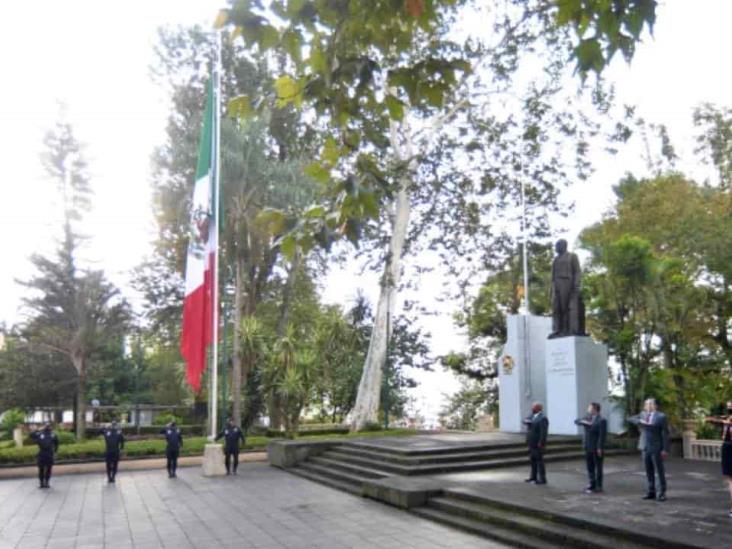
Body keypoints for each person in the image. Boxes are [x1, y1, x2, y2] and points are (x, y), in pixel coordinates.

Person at [628, 397, 670, 501]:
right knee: (648, 470)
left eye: (650, 404)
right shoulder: (642, 414)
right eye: (646, 404)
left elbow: (665, 433)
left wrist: (665, 449)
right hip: (645, 446)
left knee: (659, 471)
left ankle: (662, 492)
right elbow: (630, 418)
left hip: (656, 446)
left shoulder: (661, 416)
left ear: (655, 405)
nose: (648, 406)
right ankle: (651, 491)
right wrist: (639, 421)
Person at [704, 399, 732, 518]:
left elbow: (721, 421)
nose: (729, 407)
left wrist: (722, 421)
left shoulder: (728, 420)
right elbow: (714, 420)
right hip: (727, 447)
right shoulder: (727, 418)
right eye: (728, 406)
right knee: (730, 479)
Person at [574, 402, 607, 493]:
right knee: (590, 466)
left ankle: (599, 485)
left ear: (595, 409)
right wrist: (583, 421)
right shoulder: (587, 417)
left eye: (590, 408)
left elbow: (602, 435)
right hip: (587, 446)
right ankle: (591, 483)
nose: (588, 409)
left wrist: (599, 447)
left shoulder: (601, 420)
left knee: (598, 467)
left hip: (596, 446)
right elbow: (576, 421)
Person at [523, 402, 549, 485]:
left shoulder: (543, 418)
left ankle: (542, 478)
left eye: (534, 407)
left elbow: (543, 432)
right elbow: (524, 420)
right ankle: (533, 477)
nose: (532, 409)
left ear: (538, 408)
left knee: (539, 461)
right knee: (533, 460)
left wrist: (541, 442)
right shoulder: (532, 416)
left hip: (537, 443)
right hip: (531, 442)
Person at [30, 423, 59, 489]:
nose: (47, 427)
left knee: (45, 469)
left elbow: (57, 444)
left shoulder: (52, 435)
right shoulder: (41, 434)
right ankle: (43, 483)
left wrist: (37, 430)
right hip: (44, 453)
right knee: (44, 469)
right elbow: (57, 444)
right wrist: (55, 452)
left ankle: (45, 483)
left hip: (46, 453)